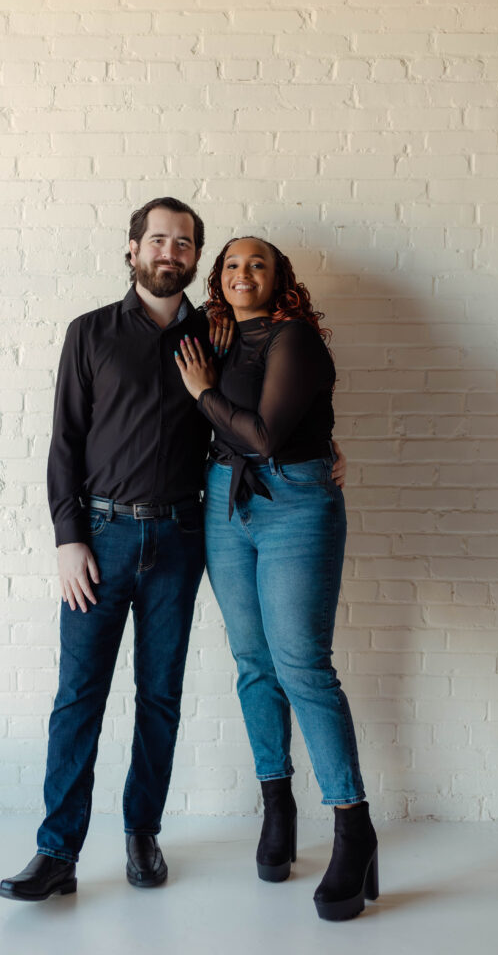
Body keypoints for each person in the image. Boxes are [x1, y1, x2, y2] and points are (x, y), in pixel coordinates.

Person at [0, 199, 347, 904]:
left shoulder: (218, 336)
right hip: (100, 538)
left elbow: (262, 411)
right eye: (157, 240)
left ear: (196, 260)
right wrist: (68, 540)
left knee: (160, 696)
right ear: (131, 250)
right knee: (78, 697)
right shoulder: (89, 333)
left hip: (185, 538)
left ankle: (141, 835)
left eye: (183, 243)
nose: (169, 252)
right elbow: (63, 443)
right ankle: (56, 851)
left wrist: (325, 449)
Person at [174, 236, 378, 922]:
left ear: (279, 278)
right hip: (224, 504)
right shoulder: (217, 337)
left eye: (256, 263)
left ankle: (352, 827)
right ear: (218, 280)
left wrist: (203, 390)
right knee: (253, 664)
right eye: (230, 264)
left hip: (293, 503)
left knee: (302, 666)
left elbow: (262, 435)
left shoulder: (297, 341)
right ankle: (276, 806)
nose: (242, 273)